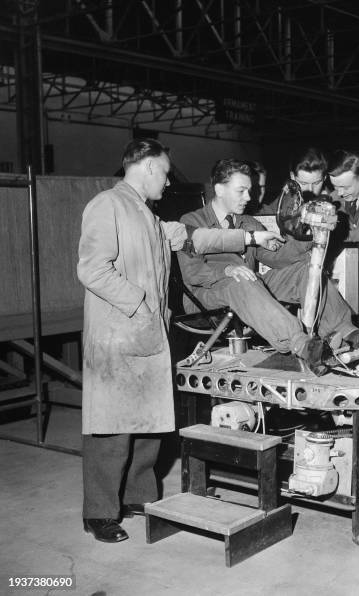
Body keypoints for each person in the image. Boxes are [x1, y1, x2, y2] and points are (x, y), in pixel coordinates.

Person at [77, 139, 283, 544]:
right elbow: (92, 268)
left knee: (149, 422)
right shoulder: (108, 205)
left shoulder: (149, 217)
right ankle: (99, 513)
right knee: (111, 428)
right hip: (118, 332)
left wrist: (252, 240)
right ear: (150, 167)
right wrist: (139, 303)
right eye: (166, 172)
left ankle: (138, 496)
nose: (168, 181)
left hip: (147, 331)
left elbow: (197, 238)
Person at [177, 158, 359, 376]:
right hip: (205, 297)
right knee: (243, 279)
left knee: (306, 268)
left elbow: (278, 257)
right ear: (219, 189)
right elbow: (192, 272)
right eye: (241, 191)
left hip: (249, 286)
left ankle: (347, 330)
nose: (248, 197)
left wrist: (311, 231)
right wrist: (227, 270)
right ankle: (302, 344)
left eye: (249, 190)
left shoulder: (248, 223)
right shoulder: (191, 221)